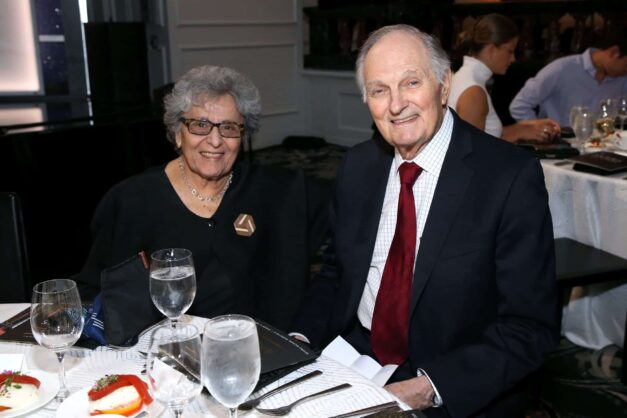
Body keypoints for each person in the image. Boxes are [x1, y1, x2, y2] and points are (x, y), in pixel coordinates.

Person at [293, 24, 558, 418]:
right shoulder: (359, 166)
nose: (396, 105)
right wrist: (298, 340)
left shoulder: (508, 178)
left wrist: (426, 390)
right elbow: (337, 271)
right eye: (379, 90)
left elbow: (529, 327)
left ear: (444, 84)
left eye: (411, 83)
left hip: (448, 378)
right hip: (354, 358)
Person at [73, 65, 329, 331]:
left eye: (229, 127)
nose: (215, 141)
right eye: (200, 125)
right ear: (177, 133)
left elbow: (347, 210)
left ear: (242, 136)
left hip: (255, 345)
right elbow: (96, 290)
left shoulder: (276, 190)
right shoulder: (131, 201)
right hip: (165, 348)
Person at [448, 14, 561, 142]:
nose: (513, 59)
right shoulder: (473, 91)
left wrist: (525, 127)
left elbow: (485, 134)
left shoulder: (466, 78)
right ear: (491, 49)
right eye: (510, 51)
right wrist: (519, 131)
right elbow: (473, 149)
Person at [509, 35, 627, 127]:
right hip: (561, 144)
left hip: (607, 145)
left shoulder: (622, 79)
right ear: (614, 52)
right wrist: (539, 131)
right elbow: (519, 106)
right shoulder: (562, 68)